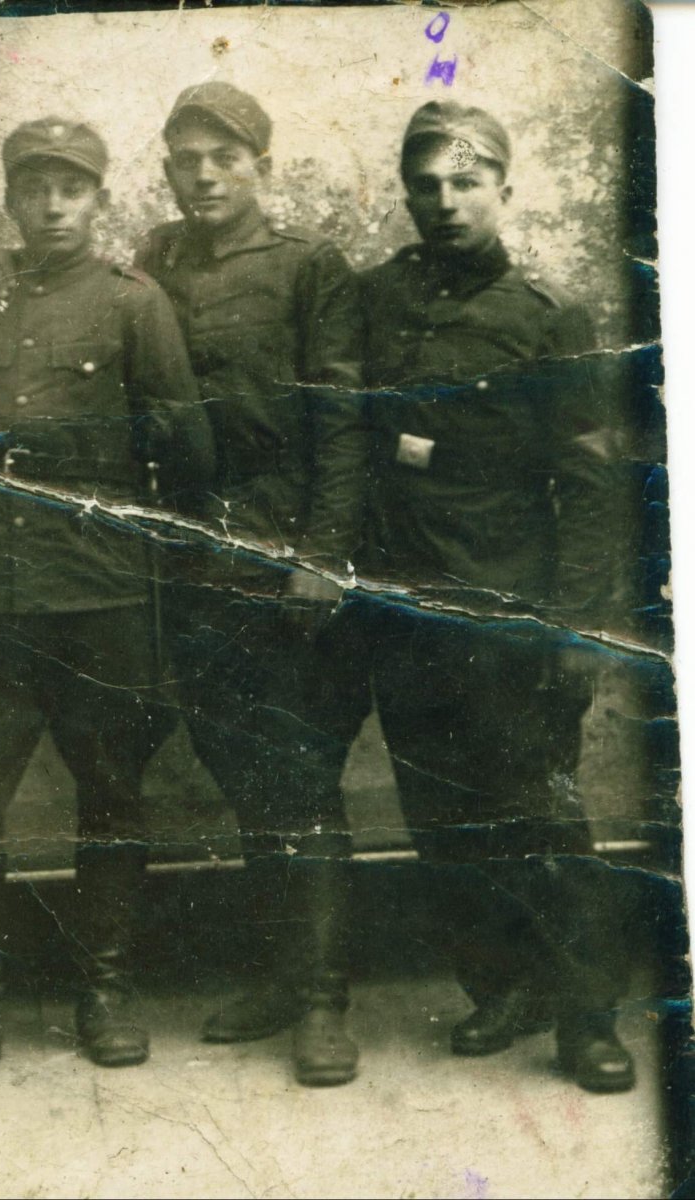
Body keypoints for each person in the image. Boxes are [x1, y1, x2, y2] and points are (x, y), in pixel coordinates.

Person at [0, 84, 367, 1089]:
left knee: (298, 772)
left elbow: (342, 420)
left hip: (277, 548)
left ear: (263, 167)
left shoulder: (308, 267)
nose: (204, 177)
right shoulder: (153, 258)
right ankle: (280, 980)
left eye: (225, 158)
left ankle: (323, 1002)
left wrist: (321, 554)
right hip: (177, 559)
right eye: (186, 159)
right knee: (237, 768)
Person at [0, 117, 214, 1083]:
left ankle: (106, 996)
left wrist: (110, 521)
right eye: (35, 188)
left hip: (102, 596)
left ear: (100, 199)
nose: (53, 206)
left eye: (72, 188)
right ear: (11, 199)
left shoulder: (134, 302)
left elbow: (187, 450)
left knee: (112, 793)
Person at [356, 100, 634, 1092]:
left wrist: (576, 629)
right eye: (426, 185)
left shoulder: (547, 315)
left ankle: (587, 1019)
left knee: (541, 821)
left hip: (510, 611)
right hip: (404, 612)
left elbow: (592, 488)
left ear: (503, 191)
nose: (444, 201)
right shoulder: (375, 301)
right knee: (440, 819)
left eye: (465, 182)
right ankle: (503, 988)